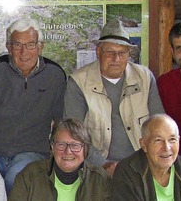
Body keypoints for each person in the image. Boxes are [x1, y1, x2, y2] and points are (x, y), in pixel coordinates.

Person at [0, 17, 66, 192]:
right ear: (9, 47)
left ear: (40, 46)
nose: (24, 52)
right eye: (17, 45)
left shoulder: (55, 75)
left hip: (32, 152)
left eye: (31, 44)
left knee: (15, 179)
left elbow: (62, 120)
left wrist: (59, 154)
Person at [64, 19, 164, 176]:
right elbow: (74, 134)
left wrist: (146, 161)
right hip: (96, 167)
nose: (116, 59)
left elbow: (159, 125)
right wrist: (104, 165)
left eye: (122, 53)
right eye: (110, 52)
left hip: (143, 163)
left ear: (129, 54)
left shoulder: (145, 78)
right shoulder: (79, 81)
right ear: (98, 52)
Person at [112, 114, 181, 200]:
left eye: (172, 139)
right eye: (158, 140)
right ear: (143, 145)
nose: (166, 148)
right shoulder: (127, 172)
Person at [10, 118, 111, 201]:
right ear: (52, 148)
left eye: (75, 145)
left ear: (86, 150)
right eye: (61, 145)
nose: (68, 151)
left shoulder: (100, 180)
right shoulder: (29, 175)